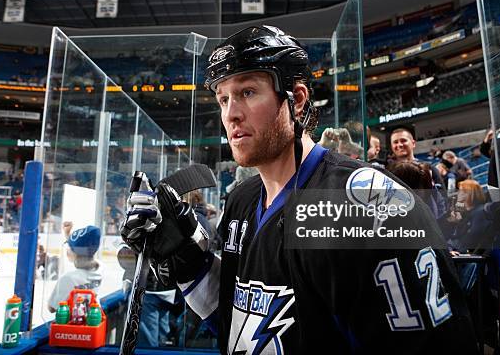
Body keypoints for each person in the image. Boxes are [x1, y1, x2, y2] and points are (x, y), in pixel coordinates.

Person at [121, 26, 478, 353]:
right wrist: (187, 258)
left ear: (298, 99)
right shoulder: (242, 201)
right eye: (223, 99)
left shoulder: (362, 203)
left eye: (247, 92)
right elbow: (241, 322)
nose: (231, 114)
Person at [47, 225, 102, 312]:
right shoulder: (100, 270)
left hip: (74, 322)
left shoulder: (68, 278)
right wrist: (67, 234)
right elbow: (84, 248)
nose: (67, 250)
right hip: (93, 320)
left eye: (70, 247)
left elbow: (52, 308)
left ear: (76, 253)